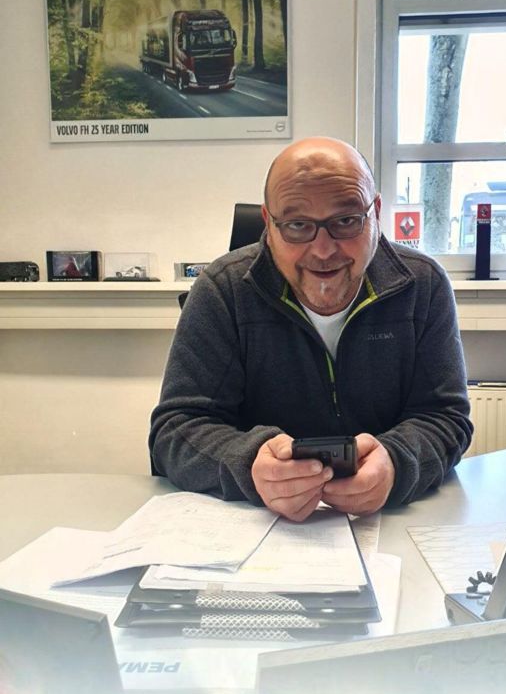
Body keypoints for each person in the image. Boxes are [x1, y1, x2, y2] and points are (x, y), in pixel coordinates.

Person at [149, 137, 473, 521]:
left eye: (346, 221)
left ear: (376, 213)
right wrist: (250, 465)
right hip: (255, 527)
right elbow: (174, 430)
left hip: (386, 523)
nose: (323, 250)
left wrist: (396, 462)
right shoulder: (223, 290)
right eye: (297, 225)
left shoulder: (423, 286)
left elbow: (445, 417)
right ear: (269, 224)